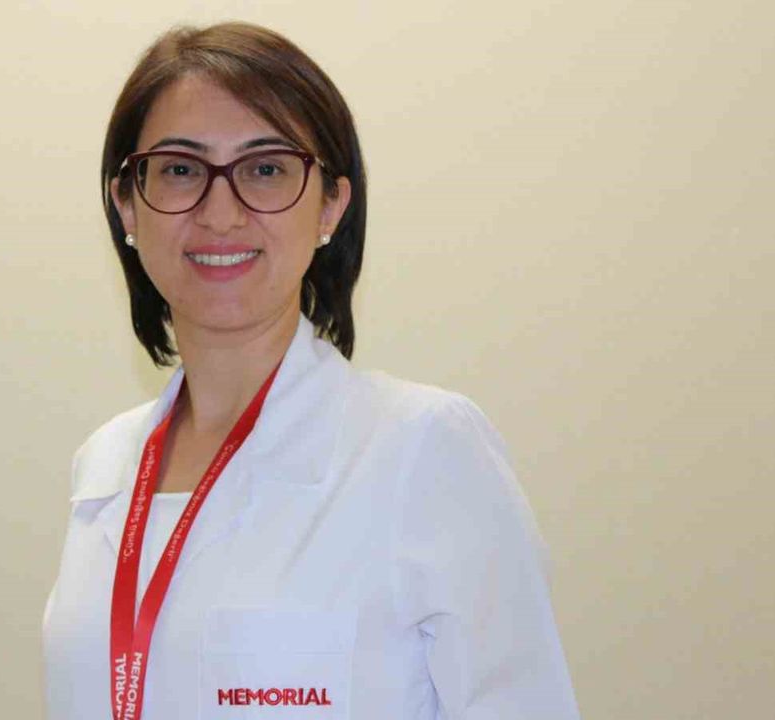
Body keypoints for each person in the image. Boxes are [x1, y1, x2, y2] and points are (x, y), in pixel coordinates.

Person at [42, 21, 580, 720]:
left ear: (331, 203)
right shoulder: (104, 466)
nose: (220, 214)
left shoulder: (424, 449)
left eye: (265, 169)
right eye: (180, 169)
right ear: (127, 204)